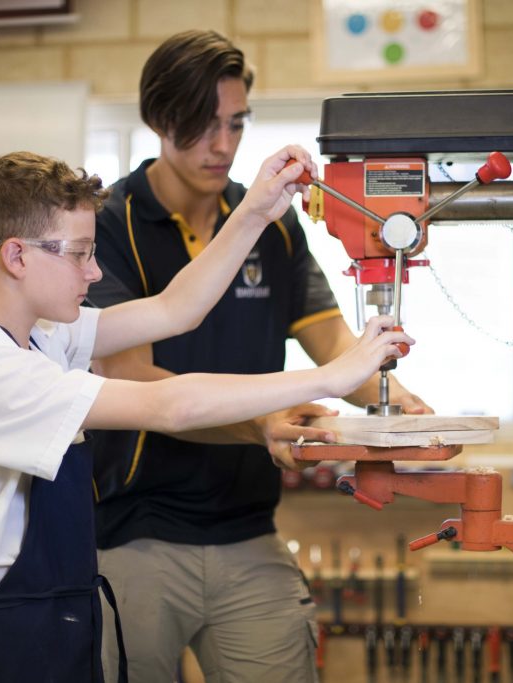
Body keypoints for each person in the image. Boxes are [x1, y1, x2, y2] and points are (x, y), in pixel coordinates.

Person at [0, 148, 412, 683]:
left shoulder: (41, 335)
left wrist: (255, 211)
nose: (96, 270)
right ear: (16, 256)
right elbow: (170, 407)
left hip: (53, 616)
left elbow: (176, 309)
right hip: (1, 640)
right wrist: (332, 377)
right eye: (80, 253)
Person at [87, 29, 430, 682]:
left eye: (236, 124)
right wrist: (261, 424)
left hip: (250, 526)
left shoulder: (272, 220)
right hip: (136, 531)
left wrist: (398, 401)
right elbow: (131, 379)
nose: (223, 146)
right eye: (202, 126)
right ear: (158, 119)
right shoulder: (108, 226)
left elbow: (331, 339)